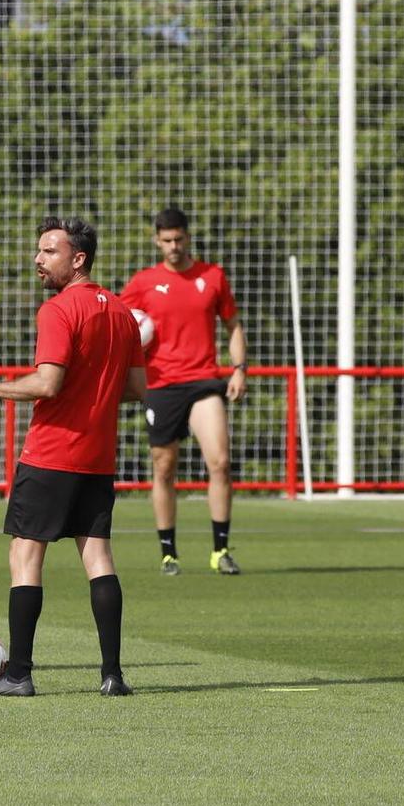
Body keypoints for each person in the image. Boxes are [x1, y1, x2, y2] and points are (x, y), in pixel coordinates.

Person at [0, 216, 148, 697]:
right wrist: (95, 396)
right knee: (99, 557)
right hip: (98, 456)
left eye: (48, 252)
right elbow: (137, 389)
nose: (38, 260)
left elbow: (48, 383)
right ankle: (112, 675)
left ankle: (18, 673)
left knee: (25, 554)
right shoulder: (122, 311)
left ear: (77, 258)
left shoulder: (60, 310)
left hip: (52, 452)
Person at [121, 207, 248, 576]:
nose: (173, 246)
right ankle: (168, 553)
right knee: (164, 467)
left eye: (179, 239)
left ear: (188, 237)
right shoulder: (144, 282)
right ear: (157, 241)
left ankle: (220, 550)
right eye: (166, 241)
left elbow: (233, 325)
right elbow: (120, 324)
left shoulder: (212, 276)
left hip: (204, 380)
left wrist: (239, 368)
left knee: (220, 462)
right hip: (161, 384)